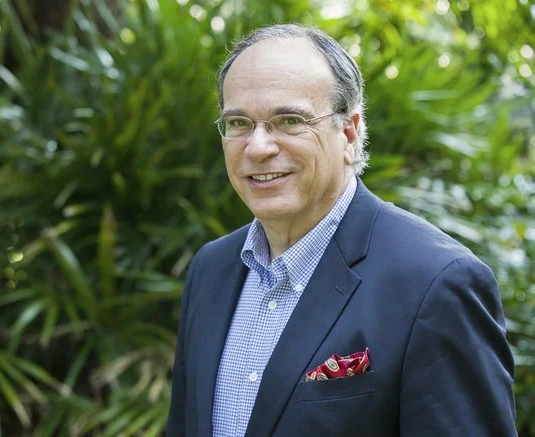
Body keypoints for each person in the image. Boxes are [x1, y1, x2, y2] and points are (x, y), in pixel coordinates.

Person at [166, 24, 516, 437]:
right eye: (239, 123)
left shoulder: (435, 283)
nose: (257, 147)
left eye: (289, 120)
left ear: (348, 134)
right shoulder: (210, 269)